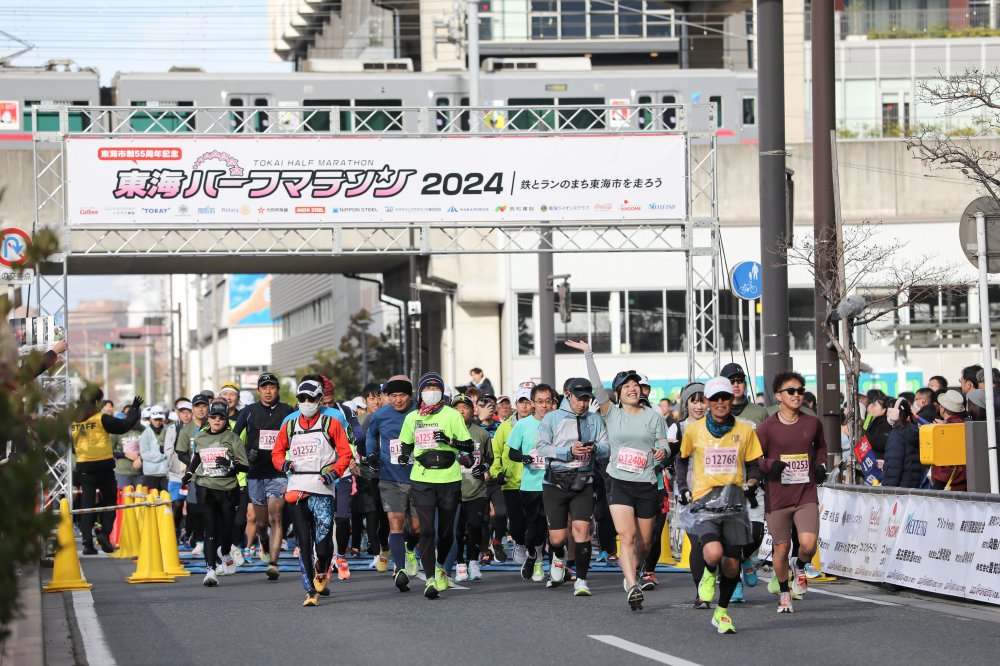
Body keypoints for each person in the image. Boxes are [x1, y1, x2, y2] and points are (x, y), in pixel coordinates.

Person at [569, 340, 667, 607]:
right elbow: (597, 386)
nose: (633, 389)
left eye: (636, 385)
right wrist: (588, 354)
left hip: (647, 483)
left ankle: (634, 567)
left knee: (645, 543)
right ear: (618, 394)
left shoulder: (653, 416)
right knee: (627, 536)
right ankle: (632, 584)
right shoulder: (610, 413)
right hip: (619, 482)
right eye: (627, 386)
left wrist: (662, 452)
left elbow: (664, 444)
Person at [675, 377, 763, 634]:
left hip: (735, 503)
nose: (721, 402)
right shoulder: (694, 430)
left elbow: (755, 464)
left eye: (725, 397)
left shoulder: (745, 430)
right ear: (708, 402)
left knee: (732, 564)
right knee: (713, 553)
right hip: (704, 502)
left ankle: (722, 612)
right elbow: (681, 461)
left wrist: (754, 480)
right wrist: (683, 488)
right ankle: (708, 573)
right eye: (715, 398)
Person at [270, 379, 353, 606]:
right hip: (297, 487)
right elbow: (277, 453)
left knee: (323, 544)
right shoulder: (289, 424)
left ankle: (322, 567)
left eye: (310, 398)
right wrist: (283, 464)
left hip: (322, 488)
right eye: (301, 399)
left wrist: (333, 474)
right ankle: (310, 591)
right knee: (304, 540)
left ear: (319, 399)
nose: (306, 403)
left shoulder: (331, 422)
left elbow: (345, 453)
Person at [398, 372, 475, 599]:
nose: (431, 392)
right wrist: (404, 455)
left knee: (446, 534)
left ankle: (441, 565)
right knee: (427, 529)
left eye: (435, 388)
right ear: (420, 393)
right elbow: (405, 444)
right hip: (422, 479)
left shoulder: (452, 415)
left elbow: (468, 446)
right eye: (427, 388)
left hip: (449, 479)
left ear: (442, 391)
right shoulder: (412, 418)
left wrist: (449, 441)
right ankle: (430, 579)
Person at [756, 371, 827, 614]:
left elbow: (821, 448)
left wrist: (821, 466)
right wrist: (770, 465)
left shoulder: (812, 422)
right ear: (778, 396)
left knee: (807, 544)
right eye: (791, 391)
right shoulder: (767, 428)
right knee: (781, 549)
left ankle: (800, 565)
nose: (797, 395)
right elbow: (755, 459)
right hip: (777, 497)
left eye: (801, 390)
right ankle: (785, 592)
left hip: (805, 494)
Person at [535, 375, 609, 598]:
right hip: (555, 482)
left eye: (587, 399)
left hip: (583, 482)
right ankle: (559, 556)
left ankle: (582, 580)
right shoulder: (552, 418)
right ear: (568, 396)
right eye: (579, 398)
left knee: (582, 531)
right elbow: (541, 448)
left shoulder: (594, 419)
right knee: (557, 538)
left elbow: (608, 447)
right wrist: (567, 452)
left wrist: (594, 448)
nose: (583, 403)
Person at [233, 371, 295, 579]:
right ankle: (264, 543)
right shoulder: (249, 411)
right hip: (255, 473)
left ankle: (274, 565)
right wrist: (243, 456)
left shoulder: (288, 411)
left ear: (277, 389)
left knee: (276, 517)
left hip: (278, 473)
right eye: (264, 387)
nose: (268, 392)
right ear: (258, 390)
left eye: (272, 387)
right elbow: (234, 439)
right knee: (261, 523)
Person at [181, 400, 249, 586]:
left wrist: (231, 466)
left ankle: (225, 551)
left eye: (221, 417)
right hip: (206, 488)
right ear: (208, 418)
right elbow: (197, 457)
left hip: (228, 490)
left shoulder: (233, 438)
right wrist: (189, 472)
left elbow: (245, 465)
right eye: (213, 417)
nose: (217, 420)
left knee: (228, 530)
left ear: (226, 419)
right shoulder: (201, 437)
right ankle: (210, 571)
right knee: (210, 529)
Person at [361, 374, 419, 592]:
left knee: (416, 527)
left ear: (410, 395)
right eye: (392, 396)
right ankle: (401, 569)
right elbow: (370, 436)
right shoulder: (380, 415)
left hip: (417, 476)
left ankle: (411, 548)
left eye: (401, 395)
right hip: (390, 477)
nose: (397, 400)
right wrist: (371, 454)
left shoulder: (419, 413)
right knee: (395, 522)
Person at [72, 388, 142, 555]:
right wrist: (133, 409)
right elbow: (124, 426)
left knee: (86, 506)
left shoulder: (73, 422)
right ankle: (104, 534)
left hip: (84, 468)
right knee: (110, 501)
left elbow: (72, 447)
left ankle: (87, 543)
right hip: (104, 467)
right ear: (96, 402)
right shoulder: (100, 419)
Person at [505, 383, 556, 584]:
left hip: (554, 484)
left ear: (553, 402)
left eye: (548, 401)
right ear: (533, 403)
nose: (544, 406)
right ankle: (534, 557)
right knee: (534, 528)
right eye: (540, 402)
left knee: (554, 530)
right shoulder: (523, 425)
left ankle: (555, 568)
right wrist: (525, 457)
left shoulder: (559, 423)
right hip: (530, 485)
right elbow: (512, 452)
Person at [490, 382, 535, 564]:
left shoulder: (542, 424)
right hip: (511, 482)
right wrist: (497, 473)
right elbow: (496, 453)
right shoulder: (505, 427)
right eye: (521, 401)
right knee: (516, 524)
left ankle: (534, 552)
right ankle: (519, 543)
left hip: (535, 481)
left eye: (527, 401)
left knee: (534, 522)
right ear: (516, 403)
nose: (524, 406)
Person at [451, 394, 493, 582]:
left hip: (476, 490)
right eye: (457, 408)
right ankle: (460, 564)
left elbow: (489, 458)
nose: (461, 411)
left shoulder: (481, 433)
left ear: (472, 410)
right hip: (453, 489)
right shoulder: (448, 433)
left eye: (465, 407)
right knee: (458, 530)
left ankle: (473, 562)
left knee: (475, 526)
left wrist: (484, 468)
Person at [882, 398, 925, 488]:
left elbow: (894, 464)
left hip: (899, 489)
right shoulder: (914, 430)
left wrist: (888, 489)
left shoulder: (897, 434)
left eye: (889, 411)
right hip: (912, 484)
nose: (887, 414)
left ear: (895, 413)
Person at [931, 390, 967, 490]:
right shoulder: (963, 425)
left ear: (943, 409)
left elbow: (947, 463)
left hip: (948, 486)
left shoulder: (947, 429)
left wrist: (938, 485)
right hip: (962, 483)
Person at [139, 405, 170, 491]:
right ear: (151, 419)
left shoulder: (168, 431)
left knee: (167, 500)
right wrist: (162, 455)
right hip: (150, 474)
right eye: (155, 420)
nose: (157, 422)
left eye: (159, 419)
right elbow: (144, 454)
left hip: (166, 473)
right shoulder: (145, 433)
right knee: (150, 501)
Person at [863, 395, 892, 461]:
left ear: (884, 410)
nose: (872, 408)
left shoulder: (885, 424)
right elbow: (865, 428)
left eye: (875, 406)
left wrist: (864, 435)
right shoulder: (875, 420)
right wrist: (869, 416)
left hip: (879, 460)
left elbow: (881, 444)